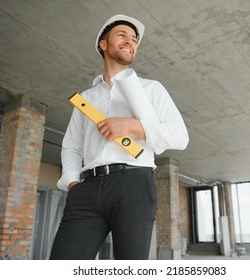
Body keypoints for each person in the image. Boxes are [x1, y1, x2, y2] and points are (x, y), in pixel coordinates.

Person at [50, 14, 189, 260]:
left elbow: (180, 137)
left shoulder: (151, 89)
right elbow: (71, 146)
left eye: (134, 39)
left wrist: (133, 126)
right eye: (122, 35)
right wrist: (73, 184)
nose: (130, 42)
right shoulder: (86, 98)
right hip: (87, 188)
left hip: (134, 184)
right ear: (103, 45)